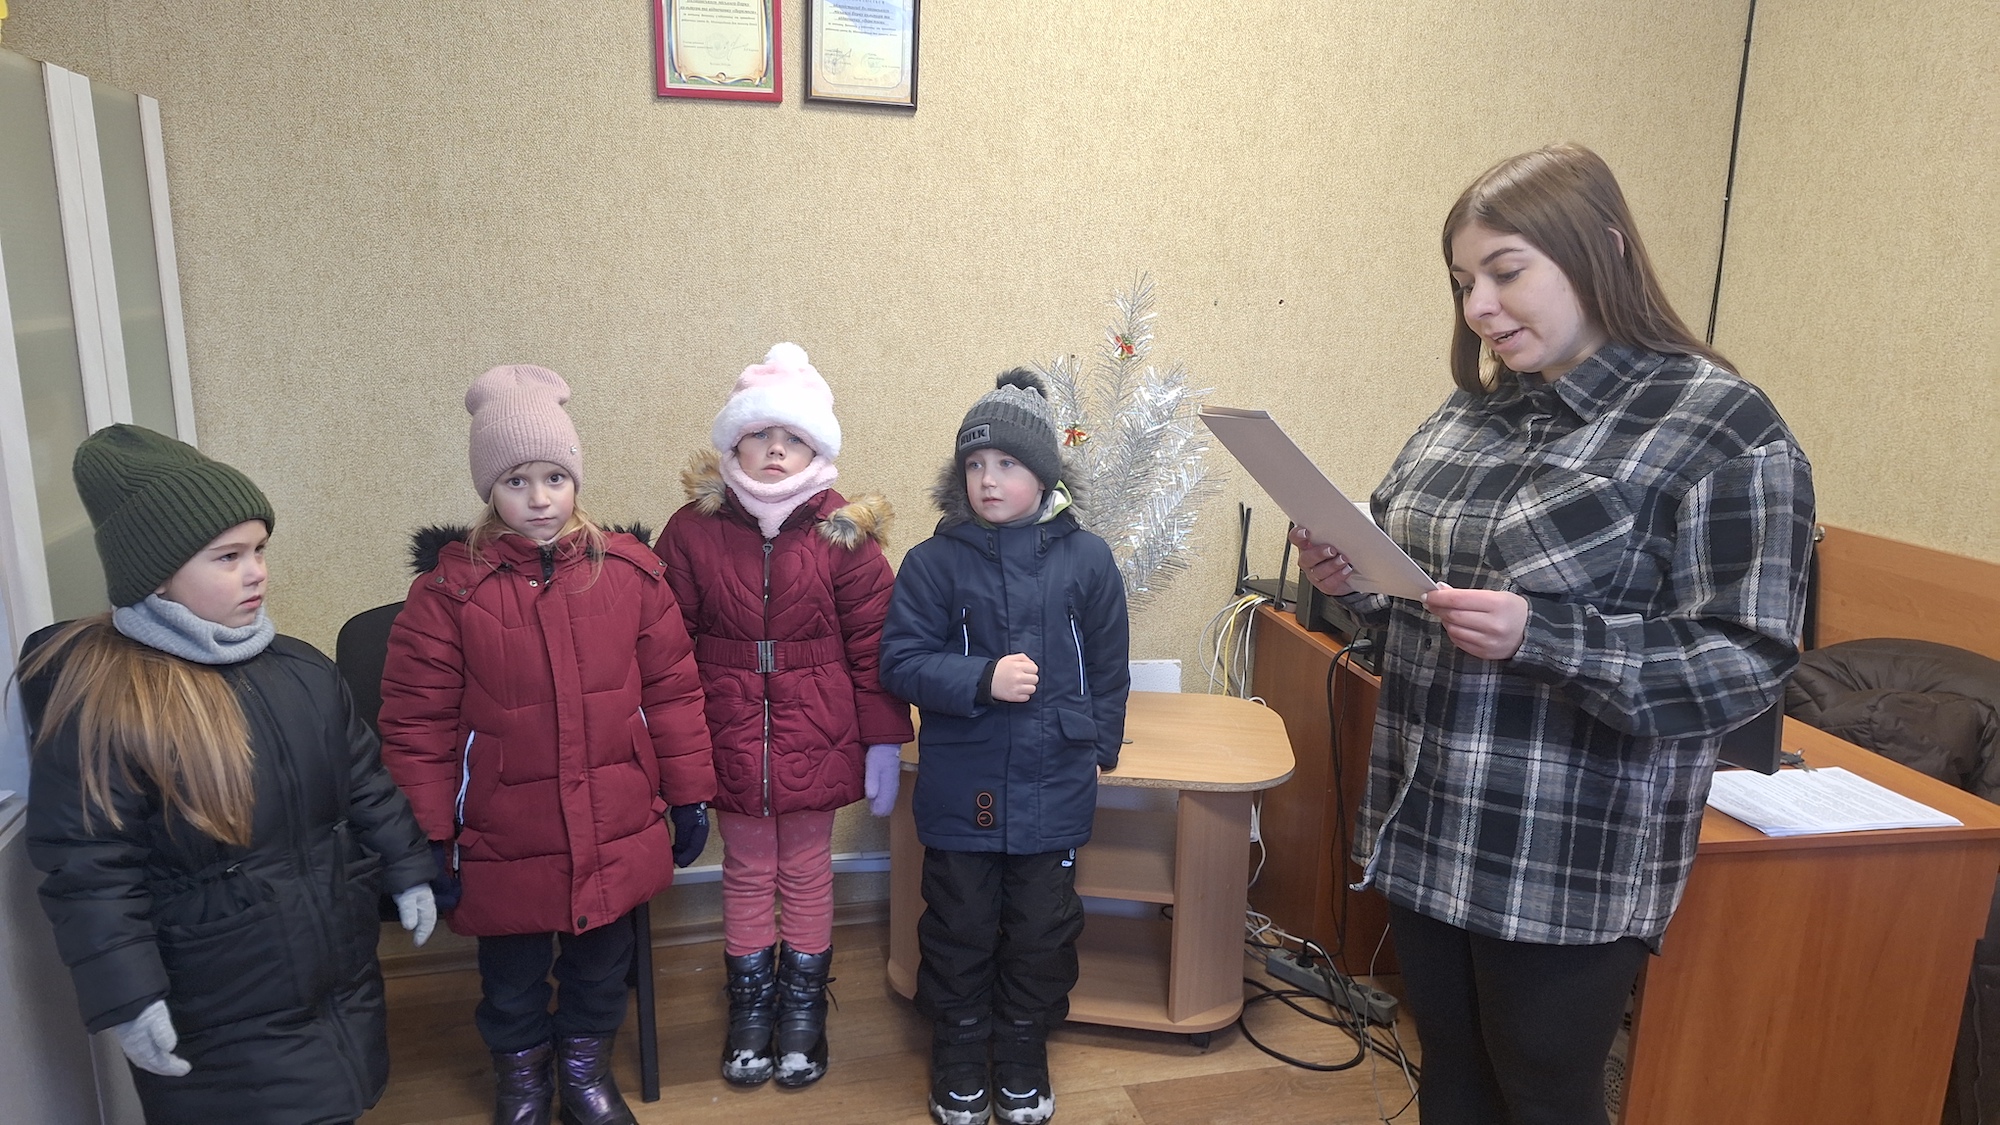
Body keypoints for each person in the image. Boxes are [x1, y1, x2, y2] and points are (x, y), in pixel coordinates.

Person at [1290, 143, 1816, 1125]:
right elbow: (1418, 597)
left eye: (1505, 271)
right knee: (1450, 1075)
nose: (1479, 307)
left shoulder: (1721, 426)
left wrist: (1546, 637)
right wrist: (1354, 580)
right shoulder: (1469, 413)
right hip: (1426, 815)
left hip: (1566, 846)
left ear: (1601, 250)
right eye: (1463, 282)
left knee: (1542, 1092)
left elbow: (1741, 660)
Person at [18, 424, 436, 1125]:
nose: (257, 572)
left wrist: (408, 866)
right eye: (228, 557)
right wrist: (128, 995)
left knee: (337, 1097)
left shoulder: (301, 670)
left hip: (334, 968)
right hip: (215, 1000)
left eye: (259, 549)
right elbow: (90, 868)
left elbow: (363, 780)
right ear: (156, 572)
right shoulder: (109, 703)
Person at [377, 365, 715, 1125]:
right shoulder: (448, 596)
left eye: (554, 477)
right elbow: (417, 725)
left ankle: (586, 1071)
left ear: (575, 480)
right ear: (488, 490)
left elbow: (673, 692)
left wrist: (691, 793)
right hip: (504, 832)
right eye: (517, 481)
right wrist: (428, 835)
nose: (538, 498)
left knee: (601, 965)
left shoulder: (630, 577)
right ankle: (523, 1080)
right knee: (512, 974)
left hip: (614, 818)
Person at [655, 342, 915, 1089]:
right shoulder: (692, 531)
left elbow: (874, 646)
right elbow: (666, 645)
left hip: (818, 735)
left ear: (815, 449)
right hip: (727, 733)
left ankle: (801, 1008)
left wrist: (883, 741)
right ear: (733, 441)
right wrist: (670, 747)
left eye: (792, 437)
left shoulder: (844, 534)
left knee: (804, 869)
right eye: (761, 434)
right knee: (745, 870)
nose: (775, 450)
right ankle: (749, 1006)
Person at [879, 369, 1132, 1125]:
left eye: (1007, 464)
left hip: (1055, 780)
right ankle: (958, 1046)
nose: (988, 480)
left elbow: (1109, 664)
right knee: (958, 922)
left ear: (1044, 473)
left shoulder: (1088, 559)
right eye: (975, 464)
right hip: (967, 783)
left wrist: (1101, 744)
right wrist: (981, 678)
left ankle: (1023, 1045)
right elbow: (900, 662)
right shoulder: (933, 562)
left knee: (1042, 927)